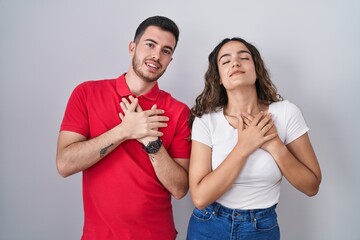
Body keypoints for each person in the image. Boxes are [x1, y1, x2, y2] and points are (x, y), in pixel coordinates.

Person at [56, 16, 191, 240]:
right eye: (150, 44)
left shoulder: (179, 112)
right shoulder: (87, 94)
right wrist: (124, 131)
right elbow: (64, 164)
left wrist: (151, 141)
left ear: (170, 59)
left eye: (166, 51)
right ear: (132, 47)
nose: (157, 55)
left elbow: (179, 189)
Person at [186, 37, 322, 240]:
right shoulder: (206, 121)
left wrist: (275, 145)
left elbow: (312, 186)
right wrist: (244, 146)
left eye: (244, 57)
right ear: (220, 78)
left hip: (261, 229)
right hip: (208, 226)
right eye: (225, 61)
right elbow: (200, 197)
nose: (235, 63)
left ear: (256, 70)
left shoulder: (286, 113)